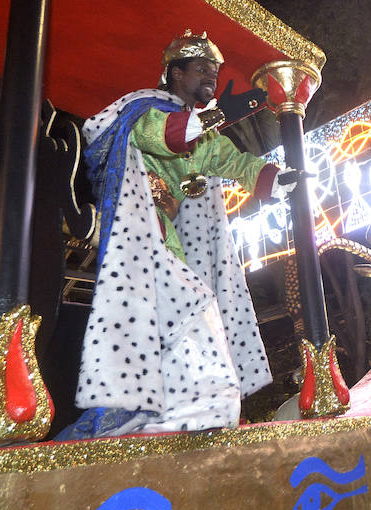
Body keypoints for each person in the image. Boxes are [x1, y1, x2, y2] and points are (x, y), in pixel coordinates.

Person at [65, 31, 295, 437]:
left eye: (216, 70)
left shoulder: (204, 133)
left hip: (167, 240)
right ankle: (182, 415)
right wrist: (221, 113)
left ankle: (175, 416)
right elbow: (168, 136)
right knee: (195, 305)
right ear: (174, 73)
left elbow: (233, 161)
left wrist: (276, 180)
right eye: (202, 69)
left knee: (182, 320)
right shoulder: (143, 111)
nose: (211, 75)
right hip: (139, 236)